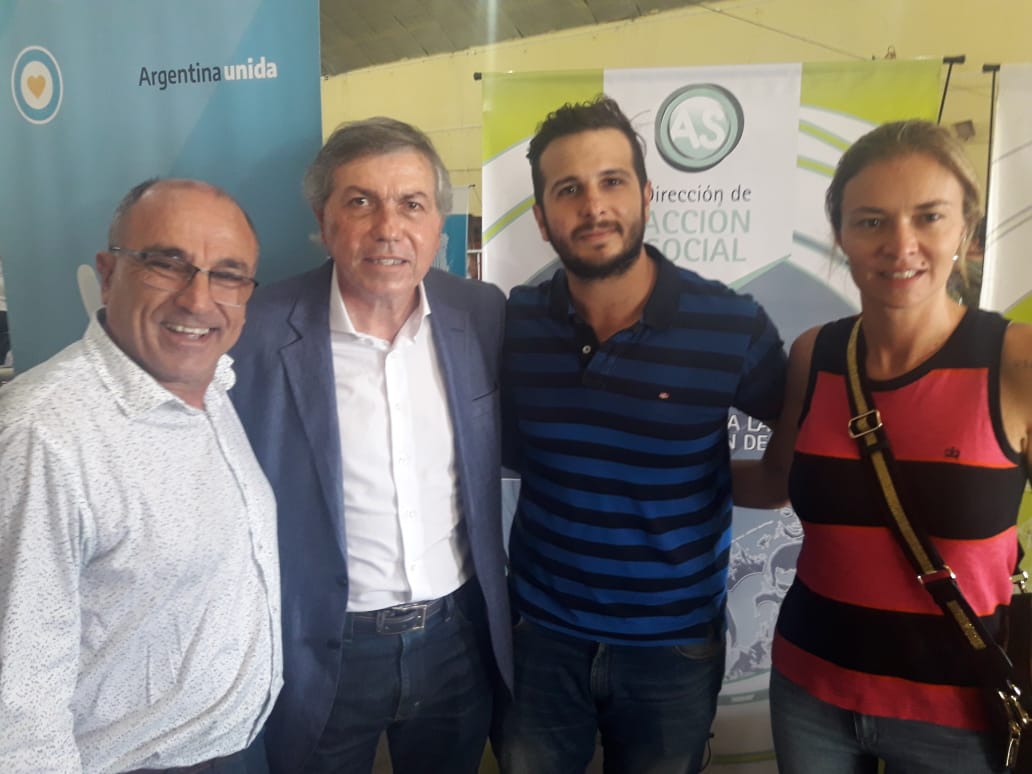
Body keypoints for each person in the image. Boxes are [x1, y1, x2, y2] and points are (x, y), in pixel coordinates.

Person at [498, 96, 788, 774]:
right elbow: (519, 453)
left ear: (647, 194)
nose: (593, 206)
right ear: (541, 218)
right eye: (568, 189)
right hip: (540, 639)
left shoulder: (731, 323)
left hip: (672, 649)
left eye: (612, 181)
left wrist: (702, 477)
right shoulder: (515, 322)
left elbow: (799, 453)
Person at [741, 119, 1032, 772]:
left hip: (959, 716)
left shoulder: (1015, 360)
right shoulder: (817, 353)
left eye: (929, 216)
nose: (901, 245)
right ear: (840, 234)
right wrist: (647, 466)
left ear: (966, 229)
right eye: (871, 221)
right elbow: (773, 480)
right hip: (810, 691)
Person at [230, 117, 513, 774]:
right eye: (361, 202)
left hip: (456, 638)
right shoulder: (259, 329)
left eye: (412, 204)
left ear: (438, 225)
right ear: (323, 222)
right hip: (324, 646)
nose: (389, 227)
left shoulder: (480, 312)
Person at [0, 179, 281, 772]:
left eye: (227, 275)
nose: (198, 300)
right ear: (108, 275)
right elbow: (16, 703)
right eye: (166, 264)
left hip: (233, 746)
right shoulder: (42, 434)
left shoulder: (212, 382)